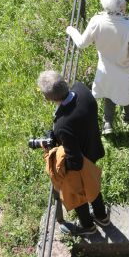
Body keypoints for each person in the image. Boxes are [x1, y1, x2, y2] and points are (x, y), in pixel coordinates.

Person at [66, 0, 129, 136]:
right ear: (121, 5)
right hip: (125, 70)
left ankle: (108, 123)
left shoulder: (97, 20)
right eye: (126, 0)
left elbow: (82, 43)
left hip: (105, 69)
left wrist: (72, 31)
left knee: (109, 93)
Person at [37, 70, 110, 235]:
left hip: (80, 160)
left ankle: (88, 227)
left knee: (77, 192)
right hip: (93, 149)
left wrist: (53, 151)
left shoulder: (63, 124)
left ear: (48, 98)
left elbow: (75, 162)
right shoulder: (82, 90)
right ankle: (102, 217)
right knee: (93, 186)